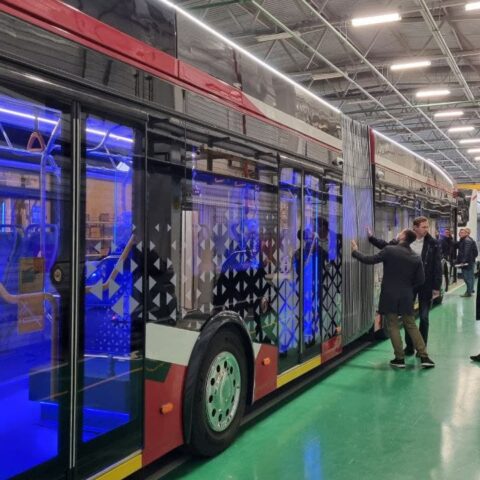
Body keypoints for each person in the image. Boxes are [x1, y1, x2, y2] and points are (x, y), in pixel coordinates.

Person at [351, 229, 434, 368]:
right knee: (411, 324)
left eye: (400, 233)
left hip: (390, 294)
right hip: (407, 295)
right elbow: (421, 280)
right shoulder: (415, 257)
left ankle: (399, 359)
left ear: (403, 236)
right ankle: (424, 356)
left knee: (393, 325)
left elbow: (369, 260)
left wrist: (355, 251)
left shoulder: (390, 250)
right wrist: (407, 286)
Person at [368, 216, 442, 355]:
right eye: (424, 227)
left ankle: (422, 348)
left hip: (425, 284)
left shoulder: (433, 243)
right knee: (409, 316)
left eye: (427, 227)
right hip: (409, 285)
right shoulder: (404, 240)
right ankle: (409, 347)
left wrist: (436, 287)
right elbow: (387, 247)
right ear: (415, 227)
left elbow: (437, 265)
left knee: (424, 317)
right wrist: (371, 238)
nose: (426, 229)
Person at [456, 228, 477, 297]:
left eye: (462, 232)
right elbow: (475, 253)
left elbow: (466, 252)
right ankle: (470, 290)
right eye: (460, 232)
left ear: (466, 233)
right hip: (469, 261)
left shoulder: (467, 241)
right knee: (470, 277)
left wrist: (463, 261)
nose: (460, 233)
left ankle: (468, 292)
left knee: (467, 277)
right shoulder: (464, 240)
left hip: (467, 263)